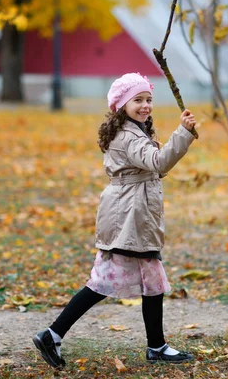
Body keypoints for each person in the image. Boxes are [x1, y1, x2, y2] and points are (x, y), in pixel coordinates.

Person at [32, 72, 197, 368]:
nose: (145, 105)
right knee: (103, 281)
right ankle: (52, 334)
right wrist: (182, 134)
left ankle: (156, 346)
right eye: (138, 100)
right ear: (122, 104)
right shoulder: (127, 135)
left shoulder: (134, 130)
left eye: (148, 99)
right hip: (128, 216)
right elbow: (157, 162)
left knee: (153, 280)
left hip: (136, 214)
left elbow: (150, 168)